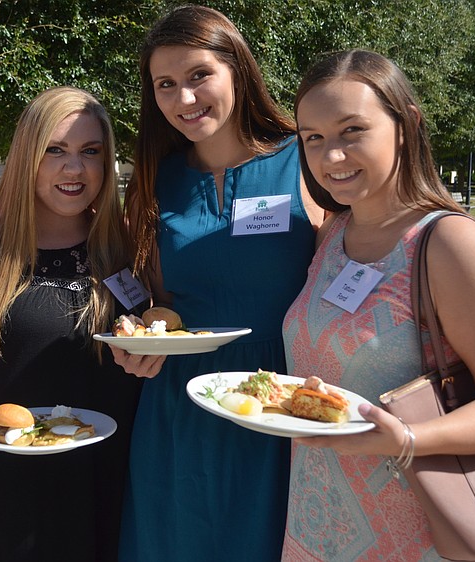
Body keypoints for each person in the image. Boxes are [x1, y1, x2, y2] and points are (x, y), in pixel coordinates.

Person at [282, 49, 475, 560]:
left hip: (414, 533)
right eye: (313, 138)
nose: (330, 156)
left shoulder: (450, 244)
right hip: (315, 527)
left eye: (352, 130)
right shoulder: (331, 235)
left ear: (406, 124)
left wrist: (404, 438)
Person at [113, 5, 324, 561]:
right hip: (181, 407)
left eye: (199, 75)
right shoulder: (158, 179)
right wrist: (151, 330)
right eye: (166, 84)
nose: (184, 99)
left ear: (237, 70)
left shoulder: (304, 159)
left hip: (280, 403)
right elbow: (162, 304)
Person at [0, 86, 143, 562]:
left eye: (90, 152)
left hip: (103, 480)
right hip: (2, 485)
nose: (74, 168)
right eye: (54, 150)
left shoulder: (119, 244)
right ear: (26, 157)